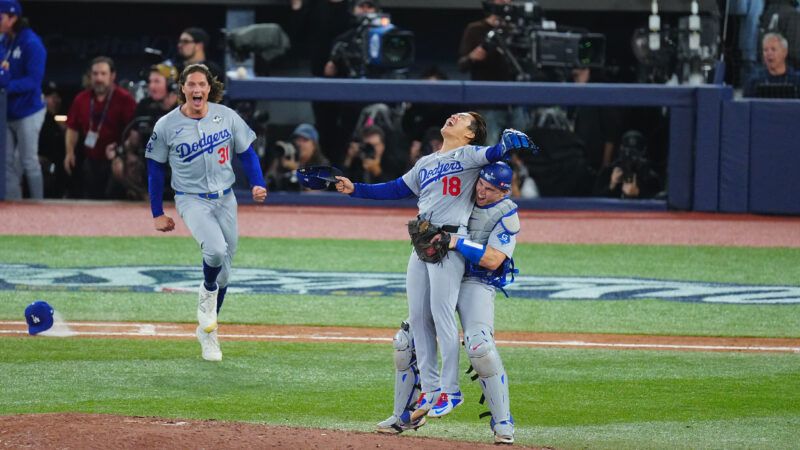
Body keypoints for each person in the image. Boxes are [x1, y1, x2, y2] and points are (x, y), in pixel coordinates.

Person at [335, 112, 535, 422]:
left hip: (449, 239)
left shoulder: (469, 154)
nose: (454, 116)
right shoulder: (426, 163)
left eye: (463, 119)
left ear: (470, 134)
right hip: (422, 238)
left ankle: (450, 389)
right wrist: (354, 188)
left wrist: (505, 143)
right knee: (417, 318)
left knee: (443, 317)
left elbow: (494, 153)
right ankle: (429, 390)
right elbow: (394, 188)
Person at [376, 162, 519, 444]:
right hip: (441, 270)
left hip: (476, 282)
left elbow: (493, 259)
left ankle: (503, 423)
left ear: (504, 191)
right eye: (480, 183)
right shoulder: (462, 192)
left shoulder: (507, 215)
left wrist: (456, 241)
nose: (481, 191)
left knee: (481, 348)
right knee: (405, 340)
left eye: (490, 189)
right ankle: (405, 413)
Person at [145, 64, 267, 361]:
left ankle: (208, 331)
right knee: (214, 251)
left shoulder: (226, 116)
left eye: (202, 84)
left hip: (226, 200)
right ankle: (206, 293)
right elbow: (155, 168)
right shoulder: (166, 125)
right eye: (191, 85)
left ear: (209, 88)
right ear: (183, 89)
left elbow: (247, 152)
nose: (197, 90)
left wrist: (257, 183)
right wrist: (157, 212)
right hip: (191, 199)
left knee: (225, 274)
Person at [64, 56, 136, 199]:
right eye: (95, 74)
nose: (99, 78)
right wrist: (69, 152)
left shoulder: (125, 98)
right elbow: (72, 128)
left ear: (112, 76)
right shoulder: (81, 99)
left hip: (115, 158)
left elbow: (134, 131)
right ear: (90, 76)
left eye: (103, 74)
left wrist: (123, 151)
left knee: (111, 197)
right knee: (89, 196)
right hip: (90, 158)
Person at [457, 0, 528, 144]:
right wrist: (472, 57)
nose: (504, 2)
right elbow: (462, 65)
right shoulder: (475, 29)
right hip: (488, 103)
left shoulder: (516, 29)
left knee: (522, 148)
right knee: (489, 150)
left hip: (515, 101)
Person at [0, 0, 46, 200]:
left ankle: (39, 205)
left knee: (28, 161)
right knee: (6, 162)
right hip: (7, 111)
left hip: (29, 111)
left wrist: (6, 87)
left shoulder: (31, 42)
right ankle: (13, 206)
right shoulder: (4, 41)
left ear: (12, 18)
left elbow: (33, 81)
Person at [593, 130, 662, 199]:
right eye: (627, 153)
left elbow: (659, 202)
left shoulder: (649, 176)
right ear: (620, 149)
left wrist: (638, 193)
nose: (631, 158)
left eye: (635, 154)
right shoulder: (608, 172)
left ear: (643, 152)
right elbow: (594, 202)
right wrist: (611, 185)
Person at [266, 123, 330, 191]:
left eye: (305, 140)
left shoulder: (322, 164)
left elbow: (317, 192)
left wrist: (296, 170)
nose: (299, 144)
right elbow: (266, 184)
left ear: (314, 146)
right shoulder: (285, 158)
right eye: (297, 139)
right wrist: (278, 162)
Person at [743, 32, 800, 97]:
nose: (769, 53)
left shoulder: (797, 80)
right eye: (765, 50)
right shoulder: (754, 81)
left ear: (784, 52)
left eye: (773, 49)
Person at [38, 81, 67, 198]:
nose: (56, 101)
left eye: (57, 97)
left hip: (55, 172)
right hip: (40, 170)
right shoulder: (36, 120)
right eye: (51, 97)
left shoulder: (55, 123)